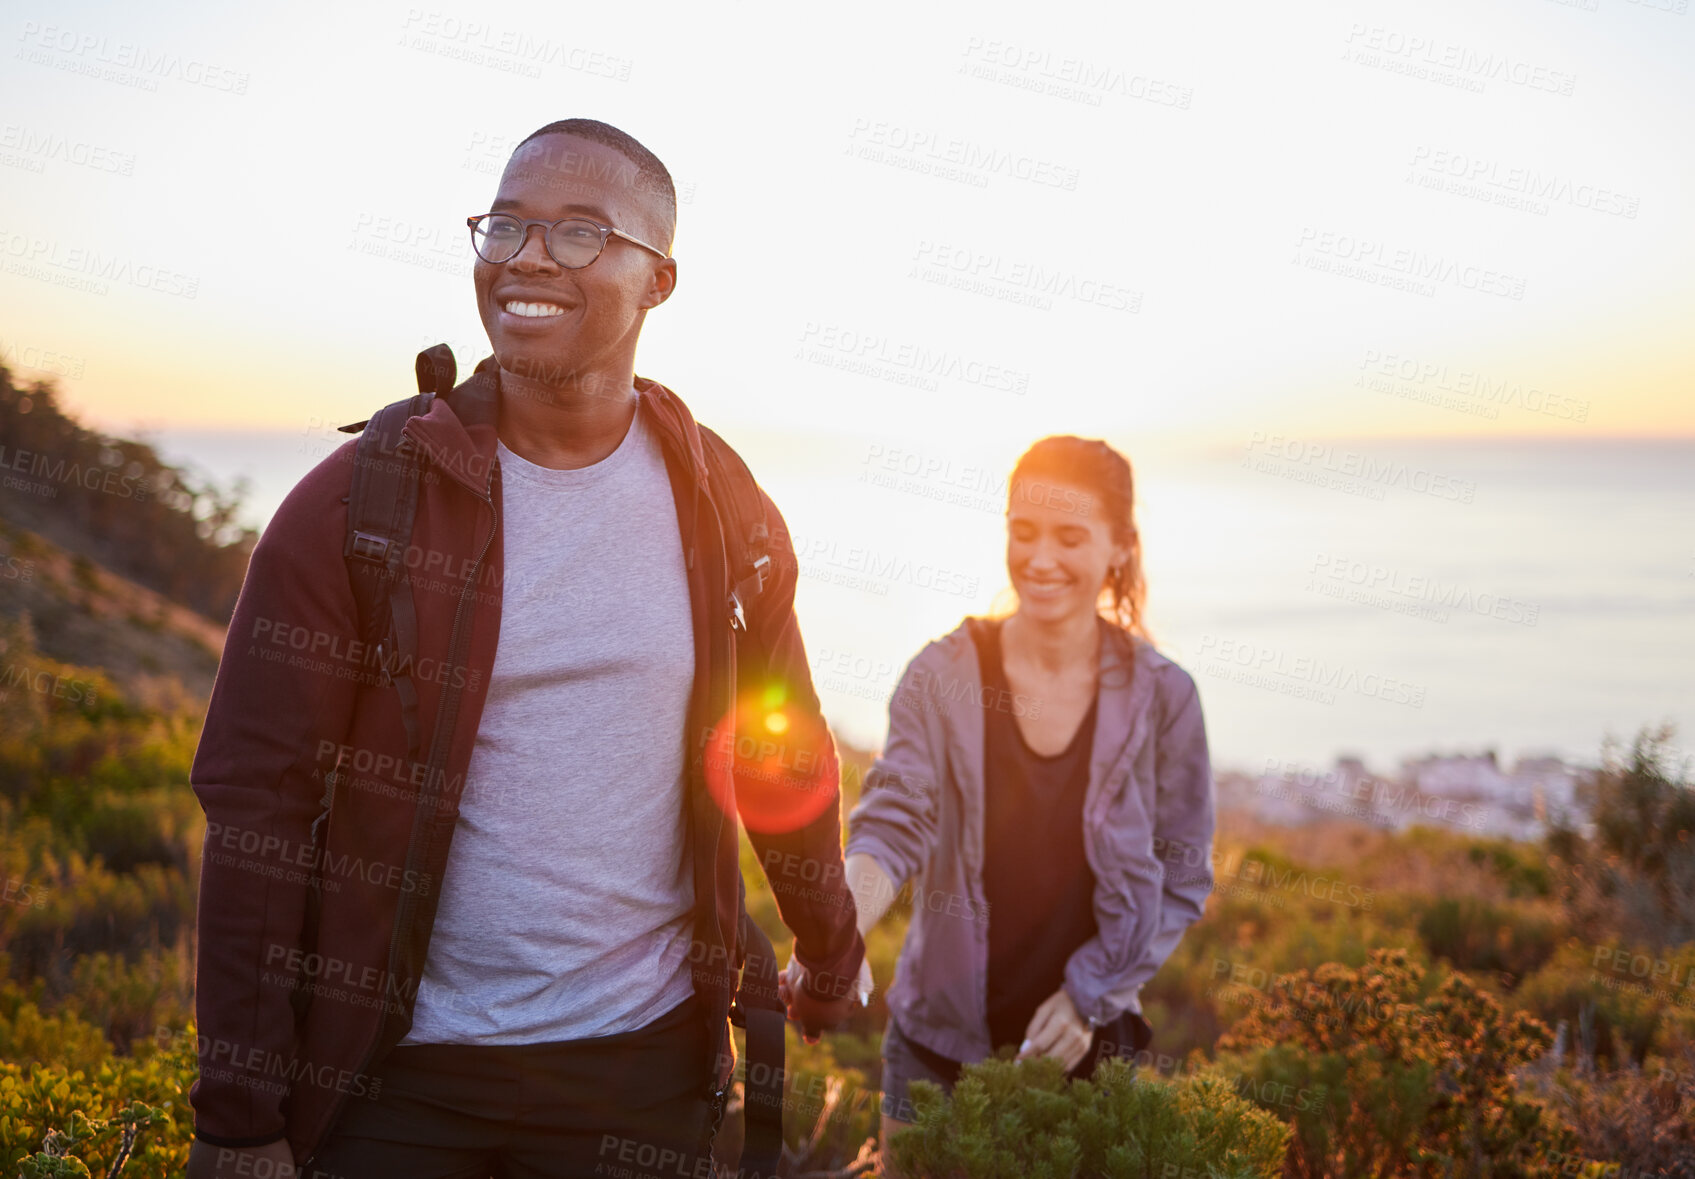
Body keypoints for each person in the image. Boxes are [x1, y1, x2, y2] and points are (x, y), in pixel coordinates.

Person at [185, 118, 867, 1179]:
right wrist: (237, 1118)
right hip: (392, 1082)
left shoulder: (723, 508)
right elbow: (255, 806)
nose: (529, 257)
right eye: (506, 226)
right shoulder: (359, 505)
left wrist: (828, 953)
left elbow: (780, 750)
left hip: (639, 1079)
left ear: (660, 281)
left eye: (583, 233)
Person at [838, 436, 1217, 1159]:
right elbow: (894, 818)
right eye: (1022, 531)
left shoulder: (1164, 697)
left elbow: (1181, 876)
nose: (1039, 558)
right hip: (933, 1044)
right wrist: (840, 928)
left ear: (1119, 548)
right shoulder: (942, 672)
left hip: (1087, 1047)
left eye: (1069, 537)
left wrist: (1089, 995)